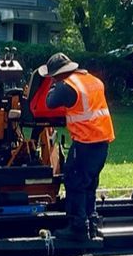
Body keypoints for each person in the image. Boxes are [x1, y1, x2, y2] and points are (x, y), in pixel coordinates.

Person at [40, 52, 114, 240]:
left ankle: (78, 227)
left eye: (53, 76)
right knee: (90, 183)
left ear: (59, 74)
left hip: (85, 142)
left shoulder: (67, 85)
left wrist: (51, 85)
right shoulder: (94, 81)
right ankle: (92, 224)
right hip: (102, 141)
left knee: (74, 181)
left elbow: (50, 102)